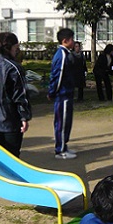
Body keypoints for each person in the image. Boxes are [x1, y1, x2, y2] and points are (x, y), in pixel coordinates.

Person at [0, 32, 32, 158]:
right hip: (10, 119)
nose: (17, 50)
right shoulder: (14, 68)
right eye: (16, 47)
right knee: (12, 155)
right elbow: (20, 95)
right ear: (9, 47)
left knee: (0, 155)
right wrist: (24, 117)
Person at [48, 28, 76, 160]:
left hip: (67, 94)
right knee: (62, 123)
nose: (74, 41)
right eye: (72, 39)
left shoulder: (66, 53)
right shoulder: (62, 55)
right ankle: (60, 150)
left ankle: (64, 145)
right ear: (65, 41)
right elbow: (57, 76)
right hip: (62, 95)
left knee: (66, 122)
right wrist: (52, 92)